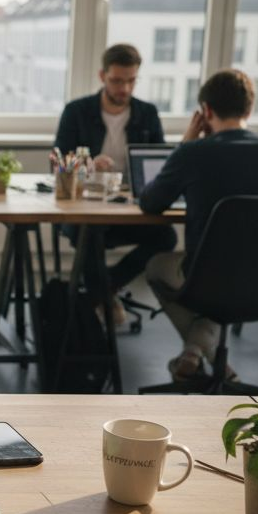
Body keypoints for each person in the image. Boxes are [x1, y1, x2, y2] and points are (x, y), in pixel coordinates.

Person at [140, 69, 258, 383]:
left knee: (159, 266)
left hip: (206, 276)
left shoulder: (193, 153)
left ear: (206, 111)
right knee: (225, 277)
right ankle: (206, 358)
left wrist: (184, 144)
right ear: (249, 110)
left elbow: (150, 203)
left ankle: (197, 353)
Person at [54, 44, 177, 324]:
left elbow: (159, 165)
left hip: (130, 205)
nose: (124, 88)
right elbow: (60, 161)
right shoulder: (77, 111)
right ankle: (103, 298)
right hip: (85, 204)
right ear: (102, 76)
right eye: (117, 80)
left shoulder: (147, 113)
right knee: (89, 233)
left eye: (131, 80)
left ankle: (99, 294)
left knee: (166, 237)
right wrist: (87, 166)